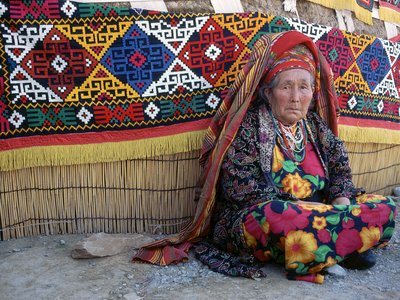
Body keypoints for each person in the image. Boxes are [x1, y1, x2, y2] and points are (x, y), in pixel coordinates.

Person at [133, 30, 397, 284]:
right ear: (268, 92)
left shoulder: (315, 126)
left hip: (322, 210)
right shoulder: (248, 127)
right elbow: (240, 188)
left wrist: (339, 201)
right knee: (283, 217)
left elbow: (340, 168)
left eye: (303, 87)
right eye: (286, 87)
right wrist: (307, 208)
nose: (296, 98)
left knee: (384, 206)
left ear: (312, 93)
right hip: (266, 214)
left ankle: (325, 246)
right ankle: (345, 243)